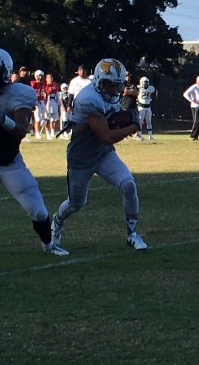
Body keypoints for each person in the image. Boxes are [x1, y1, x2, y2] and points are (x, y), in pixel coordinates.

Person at [0, 48, 69, 256]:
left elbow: (21, 131)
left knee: (39, 211)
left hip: (9, 164)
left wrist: (3, 120)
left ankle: (48, 245)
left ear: (5, 72)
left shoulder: (20, 93)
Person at [51, 58, 148, 251]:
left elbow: (111, 124)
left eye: (117, 85)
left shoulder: (110, 94)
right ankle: (56, 223)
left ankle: (132, 234)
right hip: (82, 156)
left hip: (103, 154)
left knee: (128, 184)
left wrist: (126, 117)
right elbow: (106, 136)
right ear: (98, 80)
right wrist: (133, 126)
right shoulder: (89, 99)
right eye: (109, 85)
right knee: (76, 204)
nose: (113, 90)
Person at [136, 76, 156, 141]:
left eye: (147, 82)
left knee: (149, 122)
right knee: (140, 122)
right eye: (144, 82)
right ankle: (140, 135)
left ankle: (150, 136)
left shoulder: (151, 88)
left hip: (148, 107)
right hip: (141, 106)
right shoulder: (139, 88)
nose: (146, 84)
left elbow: (153, 89)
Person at [30, 69, 47, 139]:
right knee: (37, 118)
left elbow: (45, 91)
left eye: (41, 76)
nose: (41, 77)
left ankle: (39, 132)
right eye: (39, 76)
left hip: (42, 101)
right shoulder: (33, 83)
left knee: (44, 118)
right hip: (36, 101)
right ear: (36, 76)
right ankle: (37, 133)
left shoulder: (43, 83)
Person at [44, 72, 60, 139]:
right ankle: (47, 133)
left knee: (53, 118)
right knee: (47, 118)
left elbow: (57, 94)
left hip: (54, 101)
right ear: (46, 79)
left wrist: (58, 104)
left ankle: (52, 131)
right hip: (47, 102)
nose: (50, 79)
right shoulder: (44, 85)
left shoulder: (55, 85)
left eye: (51, 77)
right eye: (49, 77)